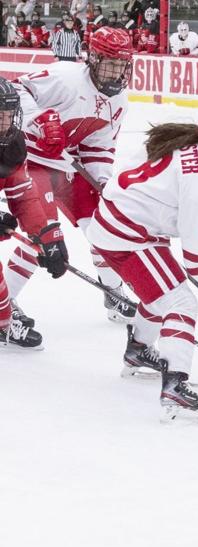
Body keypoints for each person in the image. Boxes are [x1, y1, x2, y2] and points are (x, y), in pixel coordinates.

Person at [85, 104, 198, 424]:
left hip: (119, 221)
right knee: (181, 302)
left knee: (159, 293)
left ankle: (138, 351)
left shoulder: (186, 137)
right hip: (128, 235)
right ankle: (175, 389)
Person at [3, 27, 134, 329]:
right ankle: (6, 303)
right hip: (32, 162)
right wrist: (41, 119)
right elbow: (13, 90)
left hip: (66, 167)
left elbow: (98, 147)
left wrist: (103, 182)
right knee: (43, 234)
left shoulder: (119, 103)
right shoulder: (65, 77)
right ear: (94, 59)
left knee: (104, 226)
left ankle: (114, 292)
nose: (117, 72)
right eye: (111, 63)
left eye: (122, 65)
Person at [0, 77, 52, 349]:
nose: (6, 123)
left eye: (9, 115)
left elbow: (23, 194)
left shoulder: (12, 144)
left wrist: (44, 236)